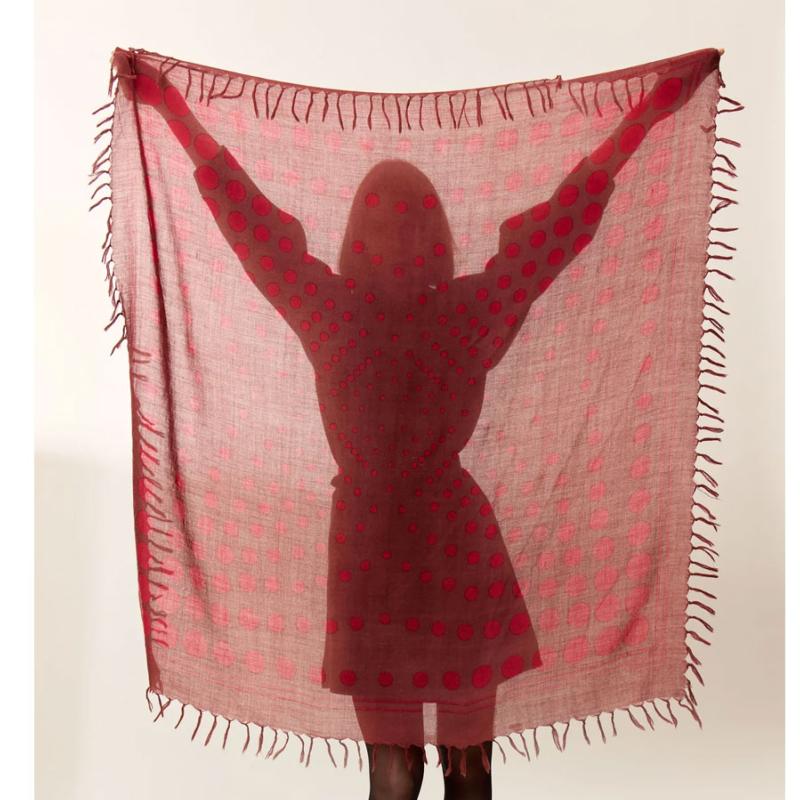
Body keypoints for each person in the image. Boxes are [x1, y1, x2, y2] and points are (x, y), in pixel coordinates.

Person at [113, 49, 707, 799]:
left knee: (400, 778)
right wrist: (642, 118)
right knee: (466, 772)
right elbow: (558, 226)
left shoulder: (335, 312)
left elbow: (253, 226)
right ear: (438, 236)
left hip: (372, 550)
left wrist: (176, 112)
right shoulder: (462, 312)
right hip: (451, 546)